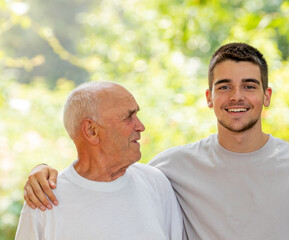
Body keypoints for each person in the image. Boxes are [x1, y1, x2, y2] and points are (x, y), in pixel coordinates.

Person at [22, 43, 289, 240]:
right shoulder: (171, 169)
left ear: (266, 96)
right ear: (209, 97)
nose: (237, 97)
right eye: (224, 86)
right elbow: (100, 175)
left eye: (249, 86)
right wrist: (42, 170)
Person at [16, 82, 183, 239]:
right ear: (91, 130)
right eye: (129, 117)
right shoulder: (44, 201)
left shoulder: (155, 182)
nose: (141, 126)